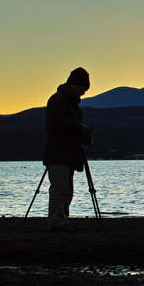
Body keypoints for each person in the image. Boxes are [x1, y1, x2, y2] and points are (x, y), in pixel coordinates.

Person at [43, 67, 94, 231]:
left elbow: (67, 126)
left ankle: (62, 219)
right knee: (60, 189)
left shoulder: (69, 103)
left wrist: (83, 135)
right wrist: (80, 129)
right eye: (82, 89)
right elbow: (57, 121)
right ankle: (57, 222)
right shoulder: (58, 100)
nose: (83, 93)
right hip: (59, 153)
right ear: (74, 85)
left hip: (68, 154)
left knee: (67, 190)